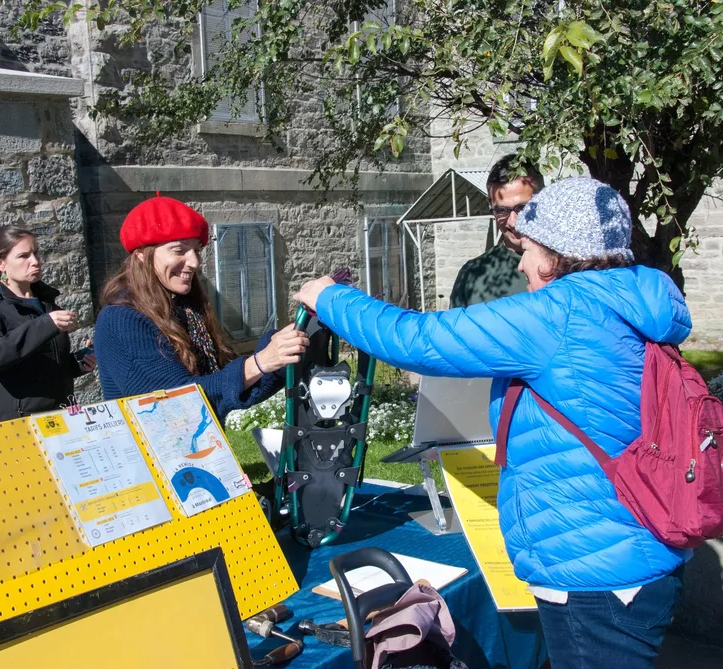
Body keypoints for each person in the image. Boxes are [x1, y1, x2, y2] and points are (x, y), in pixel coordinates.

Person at [294, 177, 692, 669]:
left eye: (529, 248)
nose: (521, 262)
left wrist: (331, 297)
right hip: (634, 555)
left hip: (594, 576)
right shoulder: (629, 299)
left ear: (559, 251)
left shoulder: (559, 314)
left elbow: (417, 340)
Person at [93, 195, 308, 421]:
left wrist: (283, 351)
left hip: (200, 453)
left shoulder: (185, 308)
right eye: (179, 250)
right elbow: (174, 403)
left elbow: (224, 390)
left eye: (196, 250)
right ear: (140, 255)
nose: (195, 262)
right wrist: (259, 363)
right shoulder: (122, 318)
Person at [0, 225, 96, 423]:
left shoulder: (45, 302)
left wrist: (78, 364)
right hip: (15, 420)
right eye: (23, 256)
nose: (35, 261)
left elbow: (39, 365)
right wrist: (44, 325)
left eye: (36, 253)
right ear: (0, 264)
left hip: (58, 416)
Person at [449, 153, 544, 307]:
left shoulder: (571, 267)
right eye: (502, 210)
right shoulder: (472, 276)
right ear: (489, 204)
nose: (513, 222)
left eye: (523, 208)